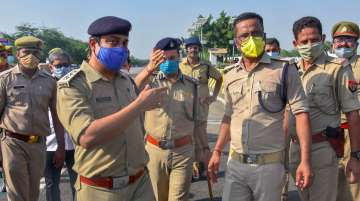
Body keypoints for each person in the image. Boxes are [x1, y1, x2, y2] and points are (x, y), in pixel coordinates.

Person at [56, 16, 166, 201]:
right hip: (101, 190)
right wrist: (139, 105)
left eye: (124, 43)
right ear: (93, 44)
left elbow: (133, 113)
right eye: (113, 42)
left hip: (140, 183)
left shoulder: (126, 81)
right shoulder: (74, 85)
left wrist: (147, 74)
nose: (121, 48)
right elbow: (87, 136)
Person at [207, 12, 312, 201]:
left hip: (269, 167)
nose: (251, 39)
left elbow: (301, 114)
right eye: (244, 36)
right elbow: (228, 116)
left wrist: (305, 160)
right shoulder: (230, 74)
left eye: (255, 34)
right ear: (236, 42)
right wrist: (216, 151)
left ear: (263, 37)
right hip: (235, 164)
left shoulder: (284, 70)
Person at [287, 16, 360, 201]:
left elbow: (352, 113)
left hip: (324, 148)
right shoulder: (291, 70)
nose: (309, 45)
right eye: (304, 41)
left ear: (323, 39)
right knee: (305, 197)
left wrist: (355, 156)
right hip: (296, 149)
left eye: (314, 40)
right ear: (295, 43)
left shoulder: (337, 69)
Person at [0, 36, 65, 201]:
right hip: (12, 143)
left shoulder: (50, 82)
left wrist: (61, 147)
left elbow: (57, 117)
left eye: (35, 52)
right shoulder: (5, 79)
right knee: (16, 193)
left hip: (38, 144)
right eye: (26, 52)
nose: (31, 56)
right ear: (17, 54)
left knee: (33, 192)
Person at [136, 37, 199, 201]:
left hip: (183, 152)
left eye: (172, 58)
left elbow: (197, 121)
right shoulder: (150, 82)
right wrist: (149, 68)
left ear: (179, 57)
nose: (169, 62)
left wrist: (202, 151)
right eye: (164, 59)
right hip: (154, 152)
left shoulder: (192, 85)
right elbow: (132, 89)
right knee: (157, 197)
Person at [180, 36, 223, 180]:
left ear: (199, 49)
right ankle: (192, 168)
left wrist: (214, 97)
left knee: (202, 140)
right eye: (191, 47)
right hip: (185, 110)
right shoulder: (180, 66)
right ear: (186, 50)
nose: (193, 50)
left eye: (196, 47)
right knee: (188, 139)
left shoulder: (206, 65)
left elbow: (219, 78)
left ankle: (204, 167)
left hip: (200, 109)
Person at [331, 21, 360, 201]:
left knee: (354, 185)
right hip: (329, 134)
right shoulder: (326, 66)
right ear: (332, 44)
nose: (343, 44)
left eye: (348, 40)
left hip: (354, 133)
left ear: (356, 44)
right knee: (330, 183)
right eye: (339, 40)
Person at [44, 48, 77, 201]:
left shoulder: (77, 84)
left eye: (65, 64)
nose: (62, 68)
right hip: (51, 143)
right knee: (51, 184)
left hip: (76, 143)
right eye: (57, 65)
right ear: (50, 66)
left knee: (78, 184)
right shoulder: (44, 85)